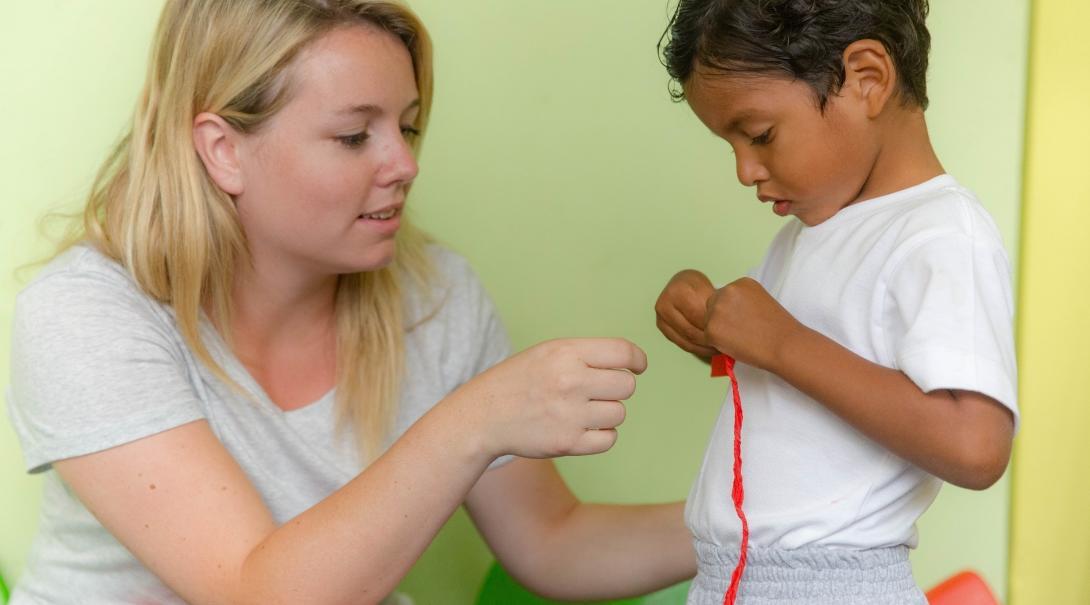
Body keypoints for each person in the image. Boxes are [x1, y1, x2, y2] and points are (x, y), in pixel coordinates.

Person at [5, 1, 695, 603]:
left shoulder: (436, 298)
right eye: (354, 135)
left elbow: (554, 541)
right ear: (223, 151)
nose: (404, 164)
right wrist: (474, 420)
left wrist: (766, 514)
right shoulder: (86, 314)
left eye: (409, 126)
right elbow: (258, 592)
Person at [653, 1, 1018, 603]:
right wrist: (713, 331)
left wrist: (780, 342)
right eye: (732, 145)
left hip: (832, 585)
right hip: (737, 575)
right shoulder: (808, 235)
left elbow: (975, 444)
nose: (745, 170)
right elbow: (803, 389)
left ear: (867, 79)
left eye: (760, 135)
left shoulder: (942, 233)